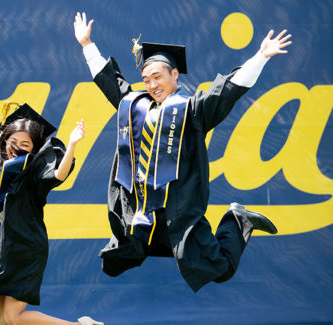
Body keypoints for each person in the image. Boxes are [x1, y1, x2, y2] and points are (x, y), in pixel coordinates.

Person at [73, 12, 290, 291]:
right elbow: (109, 81)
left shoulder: (192, 110)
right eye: (146, 79)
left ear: (174, 75)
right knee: (113, 264)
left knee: (220, 269)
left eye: (158, 77)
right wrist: (87, 45)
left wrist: (261, 56)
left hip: (178, 212)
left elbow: (228, 90)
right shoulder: (133, 106)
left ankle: (237, 219)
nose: (152, 85)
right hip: (141, 214)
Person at [0, 64, 102, 325]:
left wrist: (71, 144)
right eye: (14, 141)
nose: (17, 148)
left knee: (13, 318)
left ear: (34, 149)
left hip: (25, 248)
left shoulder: (35, 169)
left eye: (25, 145)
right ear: (4, 138)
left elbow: (59, 174)